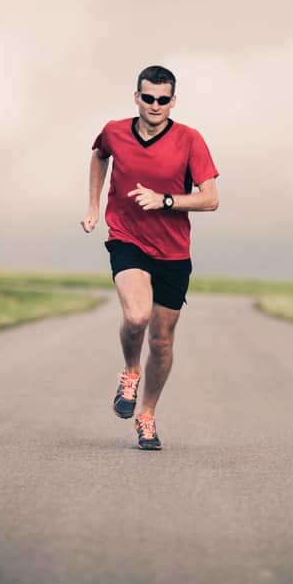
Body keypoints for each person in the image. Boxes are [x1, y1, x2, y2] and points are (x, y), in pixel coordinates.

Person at [81, 65, 219, 450]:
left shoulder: (190, 140)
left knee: (161, 340)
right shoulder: (115, 131)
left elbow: (211, 198)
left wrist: (167, 201)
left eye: (163, 99)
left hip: (173, 250)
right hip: (127, 236)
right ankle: (129, 371)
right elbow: (98, 155)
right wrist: (94, 206)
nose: (155, 105)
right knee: (137, 315)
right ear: (136, 97)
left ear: (173, 101)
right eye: (148, 98)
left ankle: (147, 415)